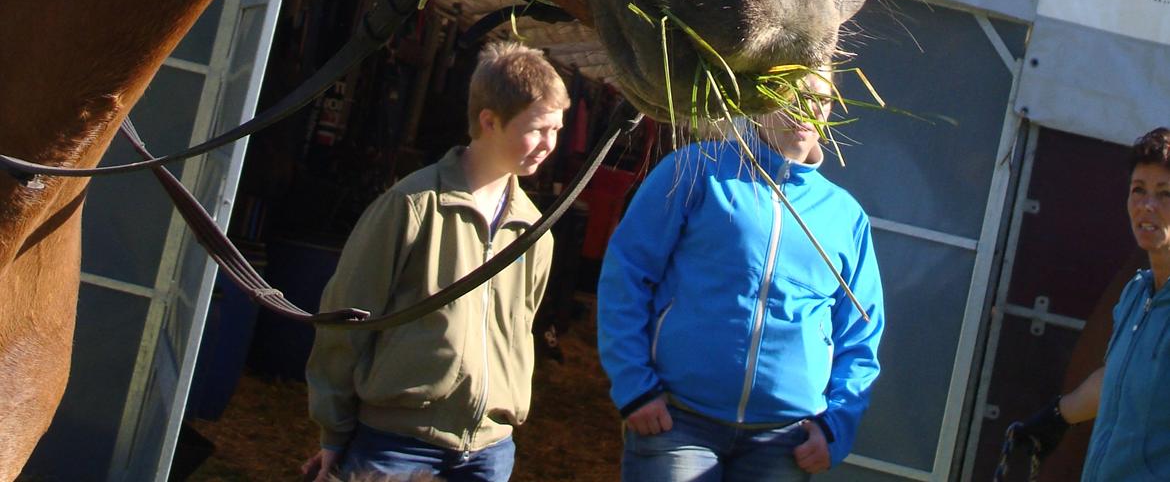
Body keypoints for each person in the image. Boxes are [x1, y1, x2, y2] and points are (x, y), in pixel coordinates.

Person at [301, 41, 570, 481]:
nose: (548, 145)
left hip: (490, 450)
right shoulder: (412, 204)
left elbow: (521, 323)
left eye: (556, 130)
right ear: (488, 121)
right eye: (538, 129)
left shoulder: (534, 228)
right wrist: (333, 430)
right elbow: (345, 316)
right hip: (397, 445)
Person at [597, 71, 884, 478]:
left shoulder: (845, 217)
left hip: (785, 438)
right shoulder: (696, 170)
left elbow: (861, 336)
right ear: (761, 99)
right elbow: (626, 274)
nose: (807, 110)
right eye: (793, 95)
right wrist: (635, 387)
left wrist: (835, 426)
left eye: (822, 99)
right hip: (678, 421)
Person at [1006, 125, 1170, 481]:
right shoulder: (1136, 294)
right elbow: (1119, 376)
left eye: (1165, 194)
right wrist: (1056, 417)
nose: (1147, 205)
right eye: (1138, 190)